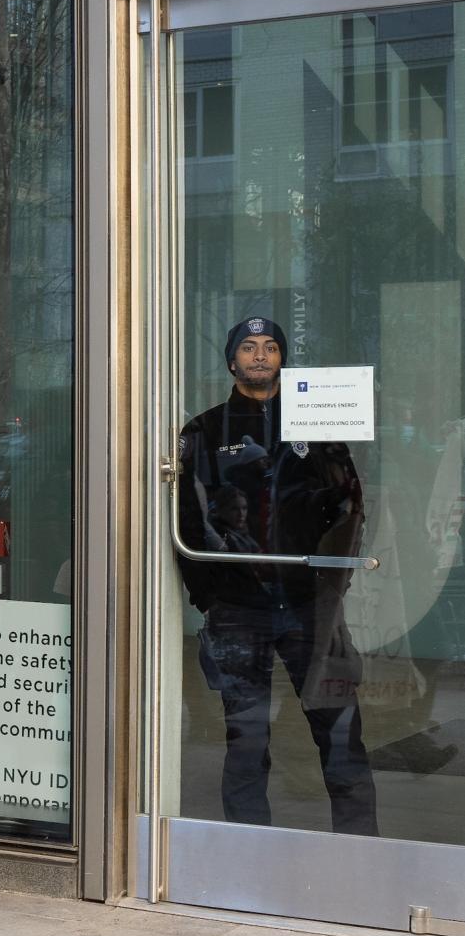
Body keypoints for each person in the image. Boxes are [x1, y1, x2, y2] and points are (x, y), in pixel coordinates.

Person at [177, 316, 379, 834]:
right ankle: (248, 853)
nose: (260, 356)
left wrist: (333, 587)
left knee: (340, 734)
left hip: (311, 608)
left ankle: (361, 851)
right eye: (248, 347)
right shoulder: (204, 431)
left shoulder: (314, 422)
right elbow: (187, 521)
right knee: (247, 741)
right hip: (239, 612)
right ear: (232, 360)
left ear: (282, 359)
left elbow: (351, 506)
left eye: (270, 347)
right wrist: (211, 598)